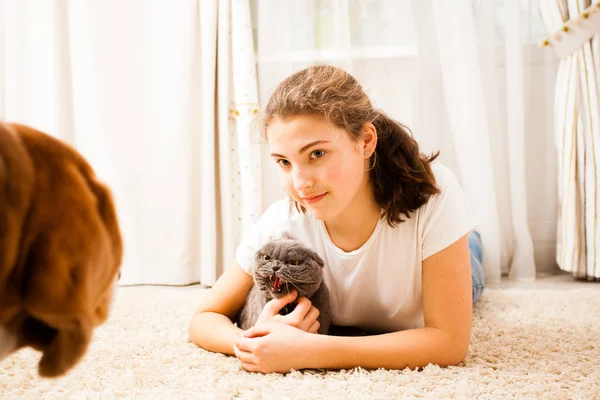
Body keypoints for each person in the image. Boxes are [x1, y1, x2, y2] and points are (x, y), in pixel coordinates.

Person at [188, 64, 485, 373]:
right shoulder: (283, 221)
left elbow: (449, 342)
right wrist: (252, 341)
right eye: (284, 162)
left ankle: (471, 238)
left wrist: (309, 351)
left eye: (316, 154)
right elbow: (203, 318)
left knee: (472, 262)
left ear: (366, 141)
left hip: (439, 251)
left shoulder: (434, 193)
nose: (300, 182)